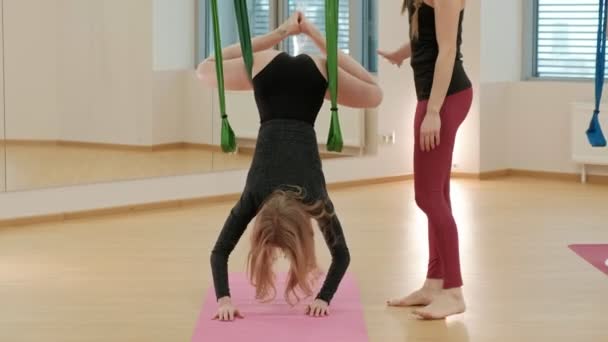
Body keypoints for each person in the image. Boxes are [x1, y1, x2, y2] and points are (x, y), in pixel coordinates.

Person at [197, 12, 382, 321]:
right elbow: (218, 254)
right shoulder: (260, 194)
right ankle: (303, 34)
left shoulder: (313, 197)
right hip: (295, 73)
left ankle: (291, 33)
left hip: (283, 71)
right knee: (374, 95)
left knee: (204, 72)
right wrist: (311, 36)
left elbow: (341, 256)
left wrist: (281, 34)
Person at [378, 0, 472, 320]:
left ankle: (454, 291)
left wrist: (433, 111)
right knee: (438, 196)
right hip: (436, 96)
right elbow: (428, 37)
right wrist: (400, 54)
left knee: (428, 196)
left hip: (443, 98)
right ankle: (434, 284)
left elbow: (447, 51)